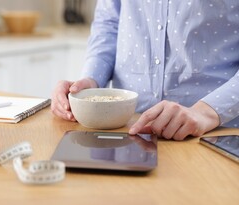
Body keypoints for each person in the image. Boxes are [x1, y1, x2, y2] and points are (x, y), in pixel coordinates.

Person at [51, 0, 239, 140]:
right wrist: (90, 83)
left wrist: (204, 112)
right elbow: (109, 25)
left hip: (216, 134)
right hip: (127, 130)